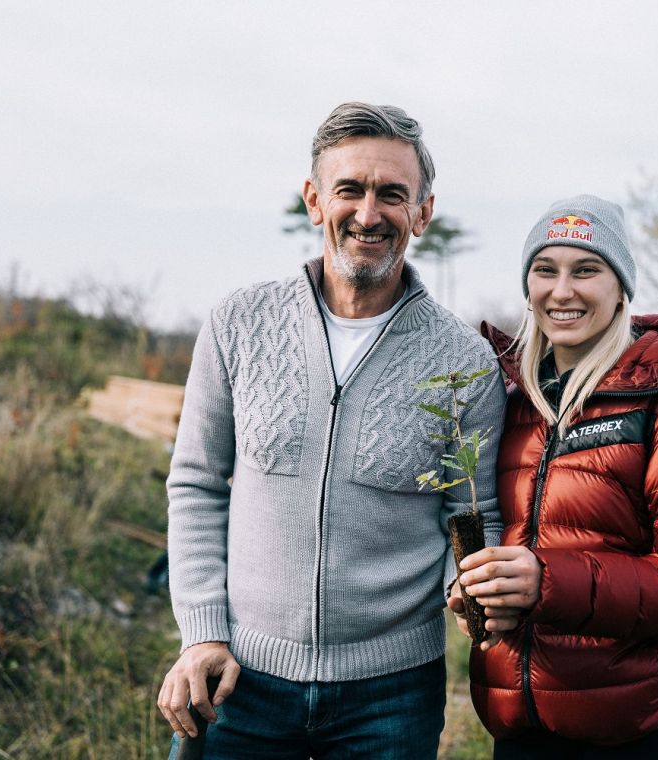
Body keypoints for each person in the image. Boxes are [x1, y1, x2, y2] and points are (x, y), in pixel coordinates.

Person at [158, 102, 506, 759]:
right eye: (351, 189)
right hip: (240, 677)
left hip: (392, 698)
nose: (369, 214)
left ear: (422, 214)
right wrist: (202, 633)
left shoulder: (465, 361)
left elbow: (473, 514)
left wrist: (471, 588)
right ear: (316, 201)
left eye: (392, 195)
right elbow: (197, 485)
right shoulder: (238, 324)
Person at [449, 195, 658, 759]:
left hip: (634, 725)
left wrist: (549, 582)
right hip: (520, 727)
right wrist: (475, 590)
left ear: (621, 289)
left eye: (586, 270)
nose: (562, 291)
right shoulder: (510, 406)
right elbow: (490, 527)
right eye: (546, 270)